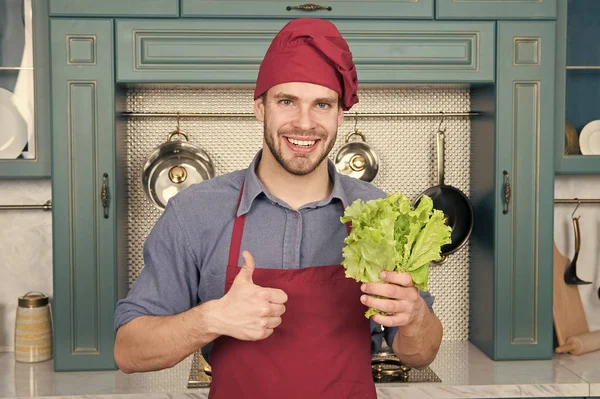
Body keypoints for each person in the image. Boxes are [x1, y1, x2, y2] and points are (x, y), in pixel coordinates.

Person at [113, 17, 442, 399]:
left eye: (322, 104)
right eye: (287, 101)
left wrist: (416, 315)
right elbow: (128, 350)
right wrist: (212, 318)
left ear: (339, 115)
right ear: (260, 108)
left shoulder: (378, 213)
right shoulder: (195, 213)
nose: (305, 123)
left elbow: (421, 353)